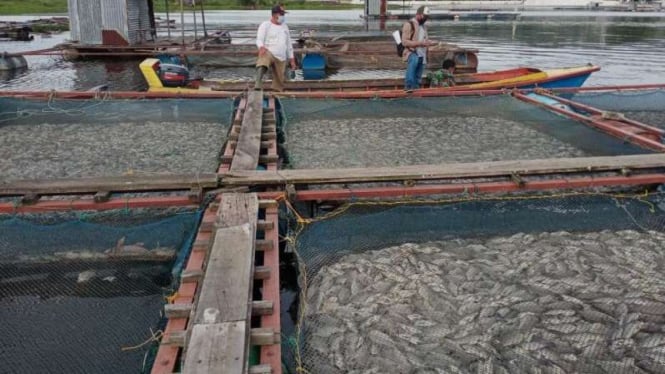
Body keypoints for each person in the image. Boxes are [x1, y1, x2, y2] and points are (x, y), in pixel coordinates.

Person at [254, 4, 297, 91]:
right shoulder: (265, 25)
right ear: (274, 15)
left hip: (281, 57)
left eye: (283, 14)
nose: (283, 16)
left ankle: (276, 92)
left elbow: (289, 44)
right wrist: (261, 47)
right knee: (263, 58)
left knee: (280, 81)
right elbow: (259, 39)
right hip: (269, 52)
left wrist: (292, 59)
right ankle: (258, 83)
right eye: (281, 14)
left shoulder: (285, 27)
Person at [402, 6, 436, 92]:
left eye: (427, 17)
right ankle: (408, 87)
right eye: (424, 16)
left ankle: (416, 91)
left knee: (418, 78)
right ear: (418, 14)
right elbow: (405, 42)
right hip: (412, 52)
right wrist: (420, 43)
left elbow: (424, 39)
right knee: (414, 61)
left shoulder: (424, 27)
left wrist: (428, 43)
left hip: (422, 54)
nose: (426, 19)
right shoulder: (409, 24)